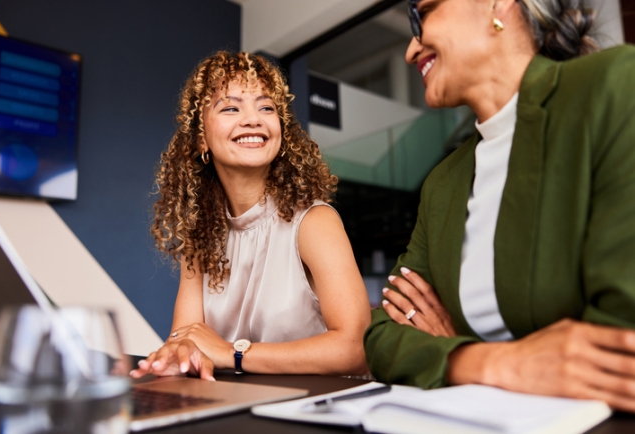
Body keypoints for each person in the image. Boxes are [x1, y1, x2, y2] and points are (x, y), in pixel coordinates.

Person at [365, 0, 635, 412]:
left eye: (423, 13)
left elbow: (619, 351)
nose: (410, 50)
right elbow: (384, 333)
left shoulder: (615, 85)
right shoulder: (443, 182)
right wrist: (484, 360)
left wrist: (447, 345)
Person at [131, 51, 370, 380]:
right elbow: (186, 338)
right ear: (201, 138)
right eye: (230, 107)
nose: (253, 119)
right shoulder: (200, 239)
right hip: (240, 406)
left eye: (266, 107)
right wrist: (177, 354)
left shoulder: (315, 222)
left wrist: (233, 353)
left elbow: (356, 349)